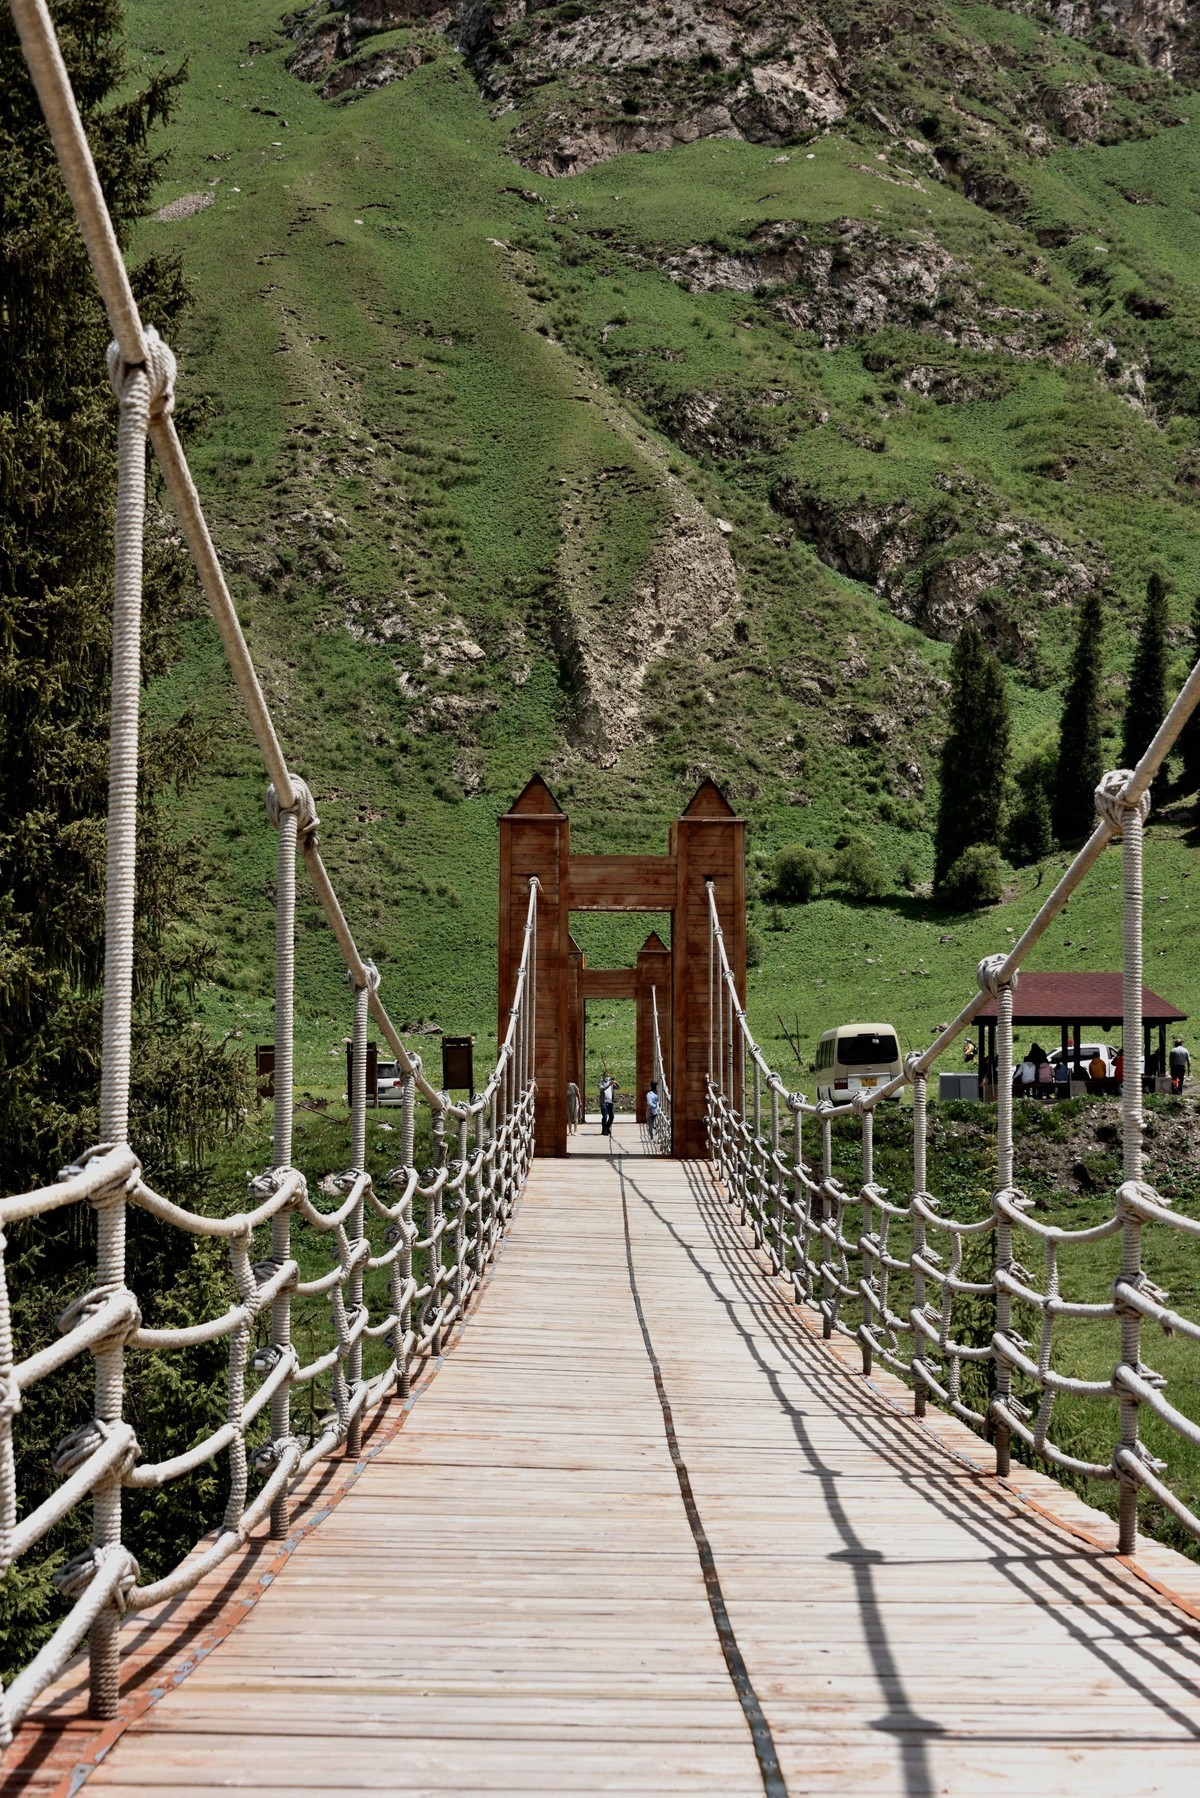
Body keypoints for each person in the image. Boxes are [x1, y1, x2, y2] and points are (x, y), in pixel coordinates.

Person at [598, 1071, 617, 1136]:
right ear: (603, 1077)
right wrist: (608, 1085)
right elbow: (601, 1089)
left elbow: (618, 1087)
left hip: (610, 1102)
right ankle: (604, 1130)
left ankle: (607, 1127)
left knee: (612, 1117)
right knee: (605, 1116)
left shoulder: (611, 1083)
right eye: (606, 1076)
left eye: (608, 1076)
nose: (607, 1077)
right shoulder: (601, 1082)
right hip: (604, 1101)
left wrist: (615, 1082)